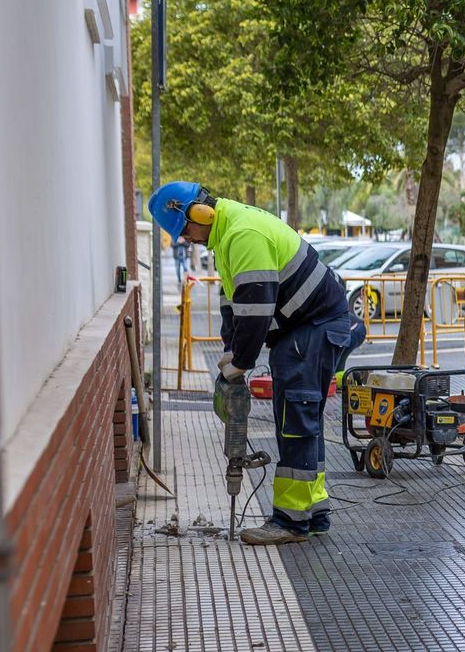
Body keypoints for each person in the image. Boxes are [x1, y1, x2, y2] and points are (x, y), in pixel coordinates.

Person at [148, 181, 352, 545]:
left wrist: (240, 364)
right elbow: (234, 306)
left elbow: (256, 313)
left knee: (296, 422)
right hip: (305, 329)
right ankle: (313, 511)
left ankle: (291, 523)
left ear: (200, 212)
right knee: (302, 419)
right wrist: (231, 353)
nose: (187, 239)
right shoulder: (225, 237)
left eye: (186, 230)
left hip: (312, 329)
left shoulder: (243, 235)